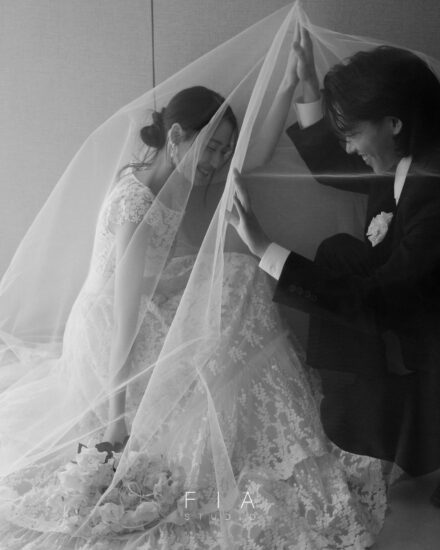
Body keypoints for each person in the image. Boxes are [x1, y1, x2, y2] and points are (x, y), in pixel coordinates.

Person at [0, 63, 389, 550]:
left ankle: (270, 431)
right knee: (232, 303)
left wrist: (289, 83)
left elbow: (254, 153)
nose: (217, 162)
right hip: (116, 327)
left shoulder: (175, 169)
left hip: (155, 296)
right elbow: (123, 319)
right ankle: (240, 453)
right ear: (176, 137)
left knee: (243, 276)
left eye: (224, 150)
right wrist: (116, 417)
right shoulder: (136, 203)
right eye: (211, 148)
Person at [230, 25, 440, 504]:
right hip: (411, 304)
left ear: (393, 123)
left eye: (353, 133)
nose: (348, 147)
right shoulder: (408, 153)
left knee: (342, 272)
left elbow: (378, 300)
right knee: (339, 251)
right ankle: (354, 418)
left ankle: (371, 426)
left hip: (424, 325)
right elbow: (340, 164)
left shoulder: (434, 192)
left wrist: (264, 248)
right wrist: (307, 89)